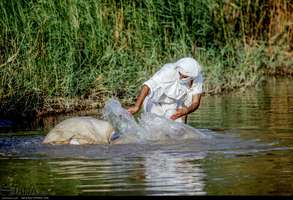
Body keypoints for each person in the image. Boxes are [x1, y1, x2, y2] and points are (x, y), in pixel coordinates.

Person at [127, 57, 203, 123]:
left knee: (179, 131)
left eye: (184, 77)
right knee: (157, 128)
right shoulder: (168, 71)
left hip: (173, 104)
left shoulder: (197, 78)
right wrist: (137, 106)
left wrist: (185, 111)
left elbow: (195, 102)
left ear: (193, 77)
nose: (180, 78)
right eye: (180, 74)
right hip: (154, 102)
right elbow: (147, 86)